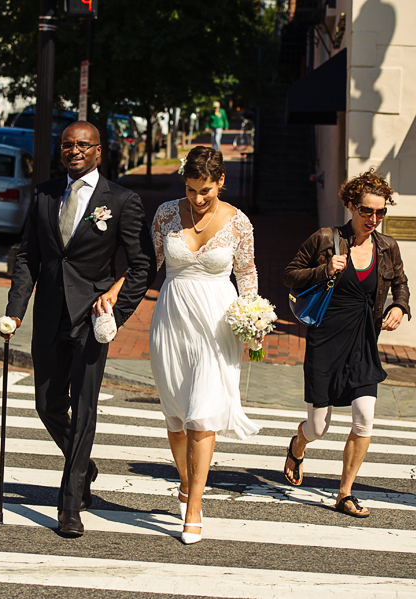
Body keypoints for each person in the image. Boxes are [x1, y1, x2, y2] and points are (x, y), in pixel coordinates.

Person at [96, 147, 260, 544]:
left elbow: (248, 273)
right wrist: (117, 289)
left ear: (221, 181)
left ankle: (194, 507)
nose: (198, 198)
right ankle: (186, 481)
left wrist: (254, 318)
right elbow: (147, 263)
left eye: (205, 190)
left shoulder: (239, 223)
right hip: (172, 320)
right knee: (176, 417)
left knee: (202, 416)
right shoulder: (167, 213)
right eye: (190, 189)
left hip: (219, 324)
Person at [2, 121, 156, 537]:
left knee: (84, 409)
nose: (74, 151)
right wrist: (16, 310)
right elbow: (27, 258)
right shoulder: (45, 195)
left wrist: (116, 310)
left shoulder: (122, 200)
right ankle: (84, 465)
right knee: (48, 405)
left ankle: (70, 505)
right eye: (67, 145)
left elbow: (143, 264)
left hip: (91, 320)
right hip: (49, 315)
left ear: (98, 151)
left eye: (82, 145)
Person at [282, 169, 410, 518]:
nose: (374, 219)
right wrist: (325, 270)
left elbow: (400, 282)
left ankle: (345, 493)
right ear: (352, 206)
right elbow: (290, 275)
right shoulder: (325, 239)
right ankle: (299, 443)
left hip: (364, 340)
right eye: (367, 211)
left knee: (364, 418)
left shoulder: (387, 247)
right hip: (325, 340)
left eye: (381, 212)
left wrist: (400, 305)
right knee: (319, 426)